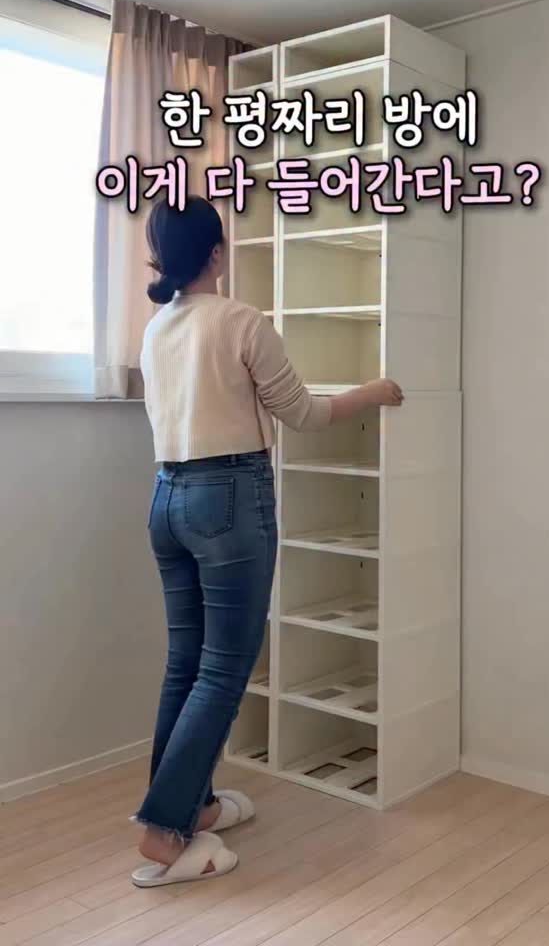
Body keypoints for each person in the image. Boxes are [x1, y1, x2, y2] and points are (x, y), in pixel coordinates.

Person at [131, 196, 403, 887]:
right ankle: (164, 832)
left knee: (185, 664)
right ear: (216, 254)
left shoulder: (157, 327)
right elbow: (303, 414)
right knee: (224, 670)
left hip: (166, 497)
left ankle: (191, 807)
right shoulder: (241, 321)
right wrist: (373, 391)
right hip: (227, 497)